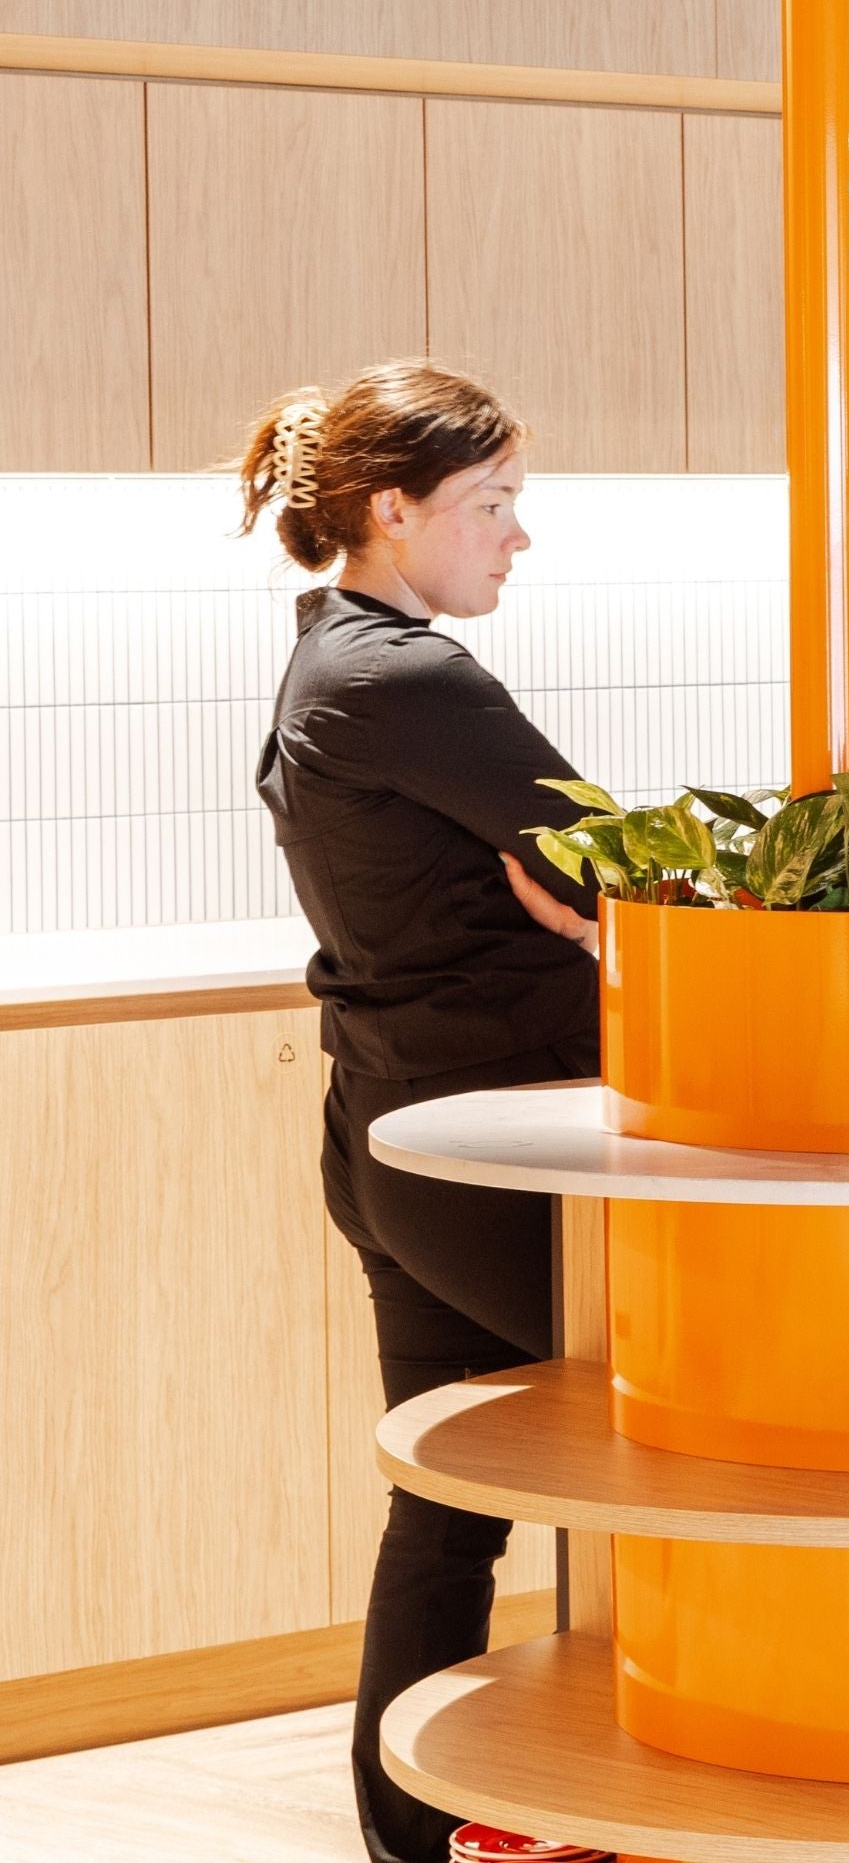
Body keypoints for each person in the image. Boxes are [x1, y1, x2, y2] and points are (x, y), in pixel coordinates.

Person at [241, 361, 602, 1863]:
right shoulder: (409, 678)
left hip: (402, 1141)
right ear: (391, 513)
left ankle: (418, 1833)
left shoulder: (333, 662)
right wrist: (603, 927)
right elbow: (616, 863)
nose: (519, 537)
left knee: (450, 1506)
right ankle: (604, 1799)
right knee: (653, 1465)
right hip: (489, 1151)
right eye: (493, 505)